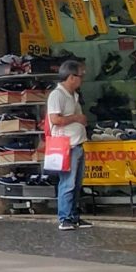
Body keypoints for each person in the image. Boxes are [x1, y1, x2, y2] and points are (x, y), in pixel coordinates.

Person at [48, 56, 89, 230]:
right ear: (71, 77)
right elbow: (55, 119)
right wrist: (76, 118)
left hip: (77, 144)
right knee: (68, 183)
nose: (82, 79)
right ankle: (64, 217)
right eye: (80, 75)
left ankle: (74, 215)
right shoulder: (57, 95)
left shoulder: (74, 96)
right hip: (66, 146)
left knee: (76, 183)